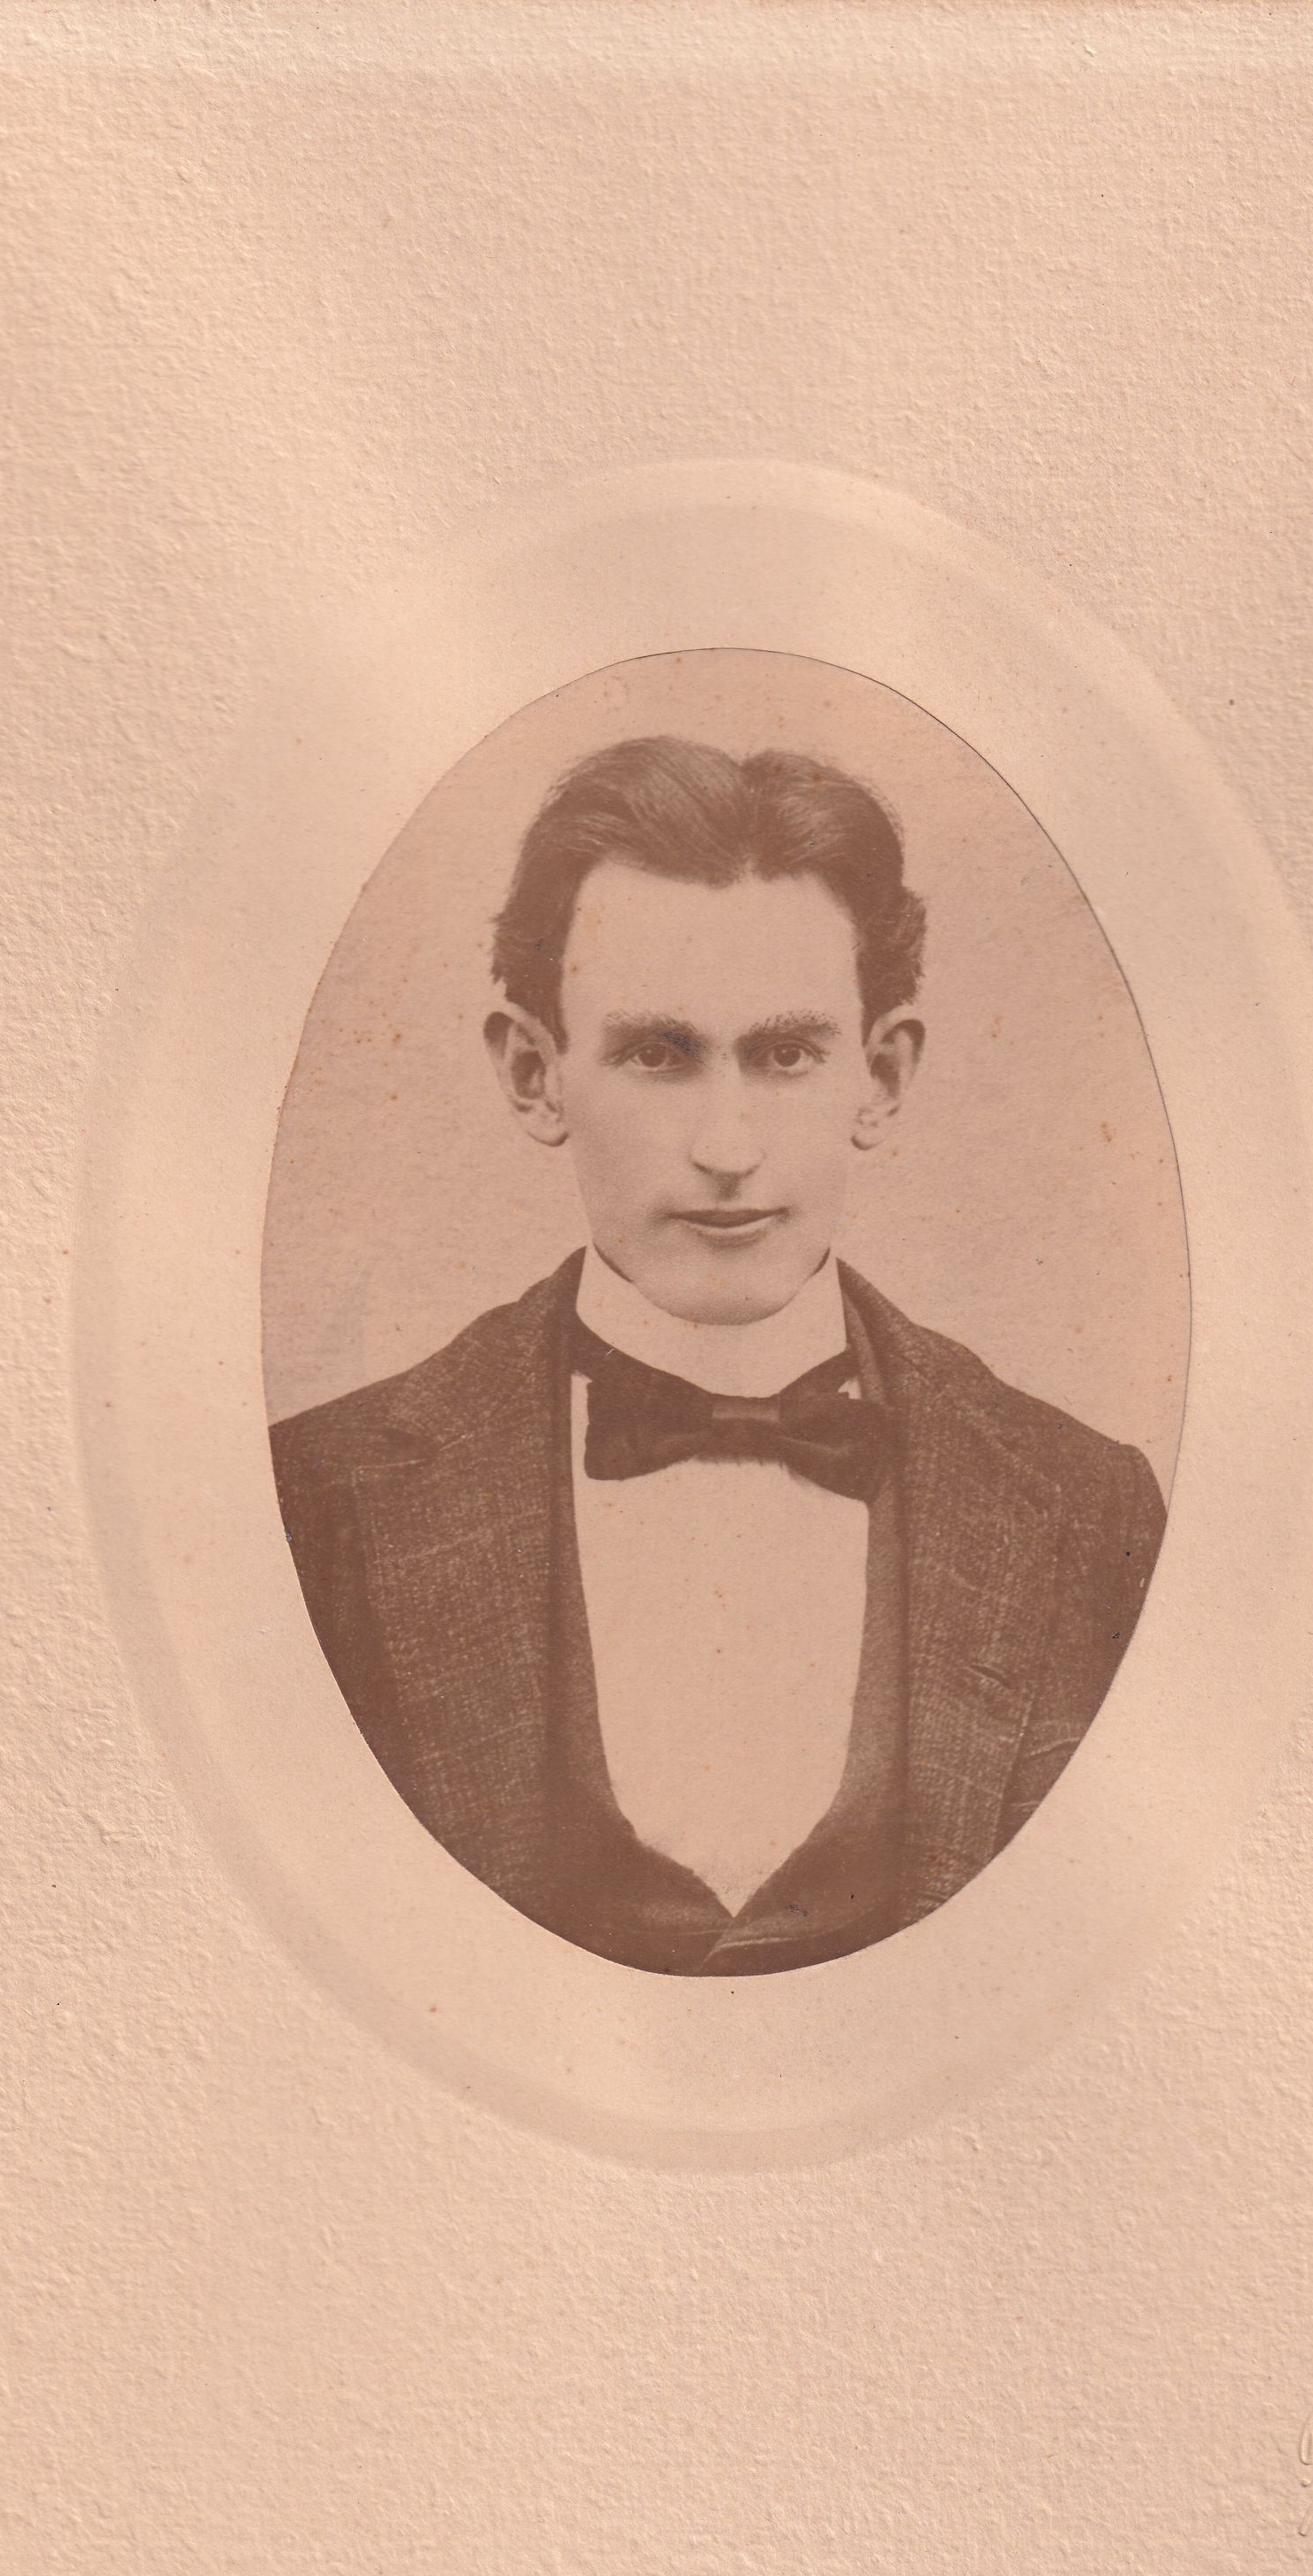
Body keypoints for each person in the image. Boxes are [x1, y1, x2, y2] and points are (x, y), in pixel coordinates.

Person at [270, 736, 1165, 1977]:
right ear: (534, 1074)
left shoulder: (1087, 1511)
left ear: (882, 1074)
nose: (729, 1147)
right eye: (659, 1054)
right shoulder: (320, 1503)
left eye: (786, 1054)